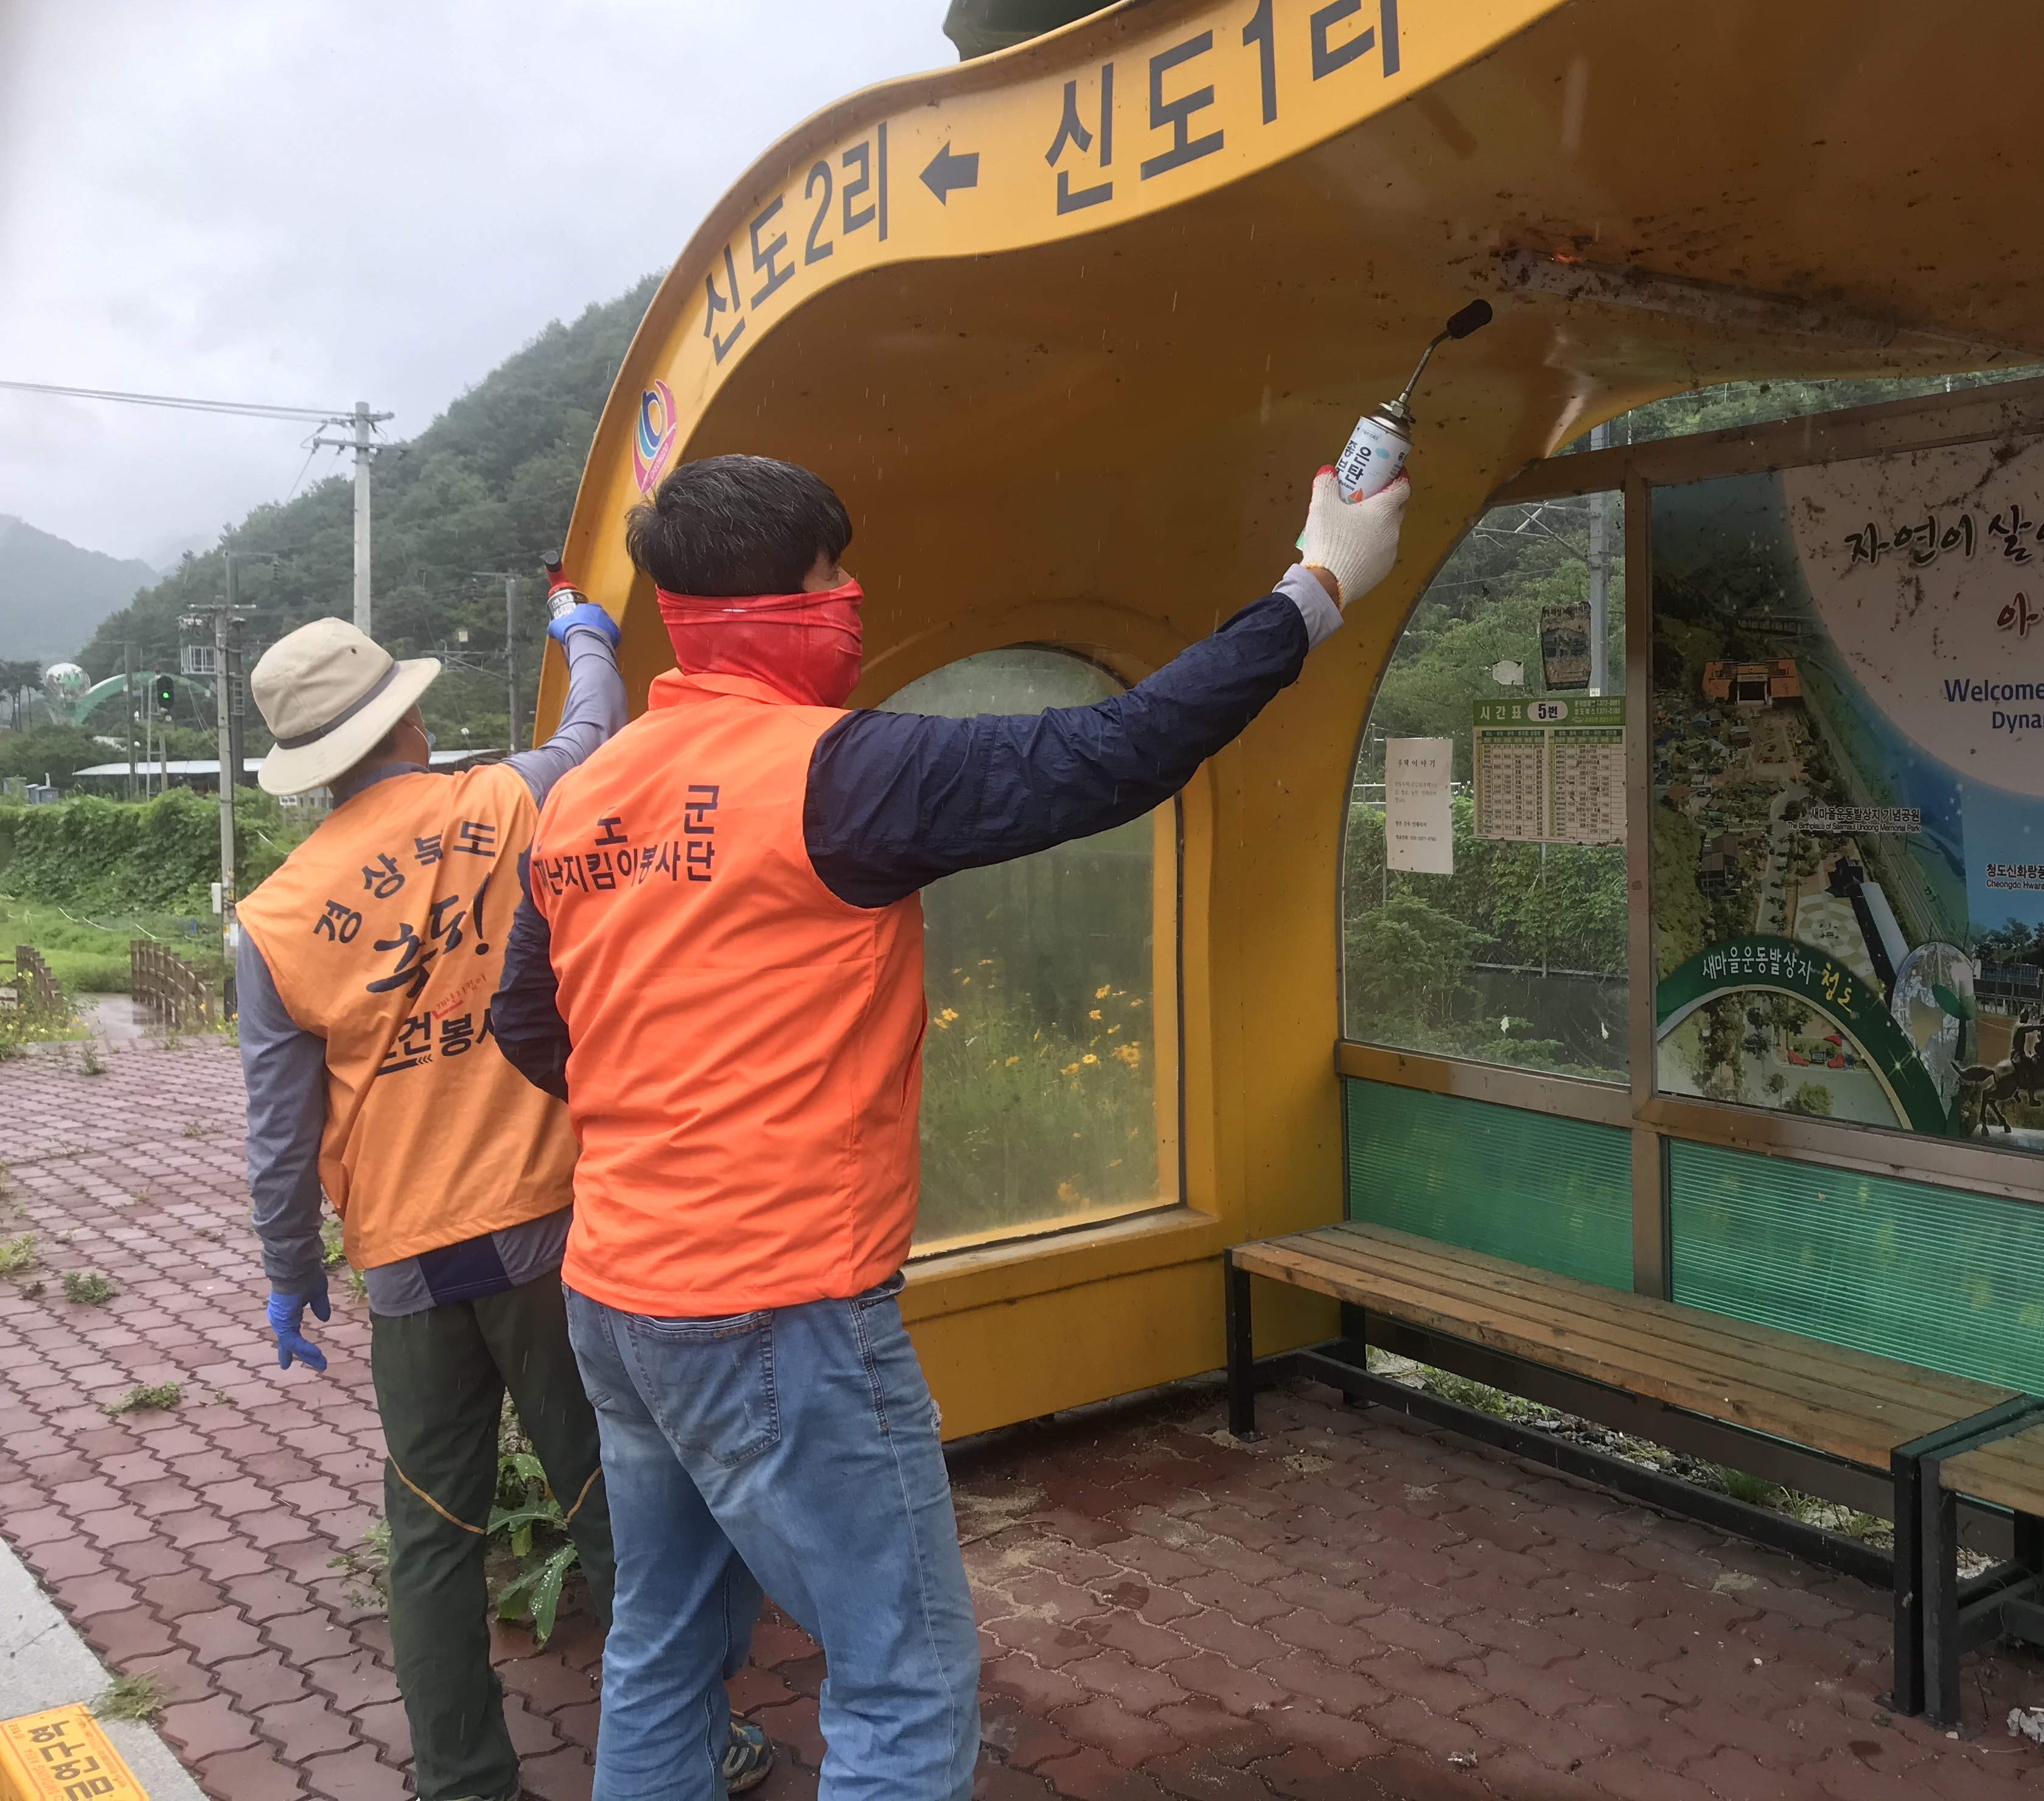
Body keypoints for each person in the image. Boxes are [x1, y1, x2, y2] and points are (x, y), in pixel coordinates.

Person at [487, 452, 1410, 1800]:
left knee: (663, 1639)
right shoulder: (833, 772)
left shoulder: (586, 793)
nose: (852, 593)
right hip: (778, 1310)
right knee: (900, 1681)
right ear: (782, 601)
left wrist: (672, 1106)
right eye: (833, 573)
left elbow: (528, 1023)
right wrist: (1317, 587)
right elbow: (1115, 752)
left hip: (618, 1297)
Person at [235, 603, 775, 1800]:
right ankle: (690, 1748)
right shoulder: (507, 797)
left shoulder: (271, 923)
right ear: (410, 723)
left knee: (433, 1529)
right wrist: (584, 637)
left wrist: (289, 1273)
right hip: (549, 1231)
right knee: (614, 1496)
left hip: (406, 1260)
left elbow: (279, 1137)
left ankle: (462, 1781)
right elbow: (595, 730)